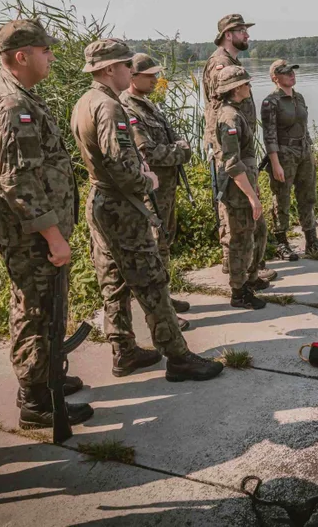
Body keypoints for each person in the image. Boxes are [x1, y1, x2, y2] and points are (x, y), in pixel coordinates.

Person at [71, 39, 223, 381]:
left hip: (100, 200)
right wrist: (147, 181)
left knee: (113, 280)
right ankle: (178, 356)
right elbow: (124, 167)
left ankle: (123, 351)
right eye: (126, 65)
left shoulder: (85, 101)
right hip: (121, 206)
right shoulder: (109, 108)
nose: (131, 70)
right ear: (110, 69)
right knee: (152, 280)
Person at [0, 19, 94, 429]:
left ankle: (44, 376)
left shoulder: (16, 94)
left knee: (42, 309)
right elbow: (17, 179)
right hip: (32, 237)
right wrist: (53, 234)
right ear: (22, 56)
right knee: (35, 310)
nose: (51, 56)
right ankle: (36, 401)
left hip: (35, 234)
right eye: (45, 51)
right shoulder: (11, 105)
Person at [119, 52, 194, 324]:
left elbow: (168, 140)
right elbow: (147, 152)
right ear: (132, 76)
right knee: (155, 247)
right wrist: (181, 151)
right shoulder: (128, 108)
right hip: (151, 192)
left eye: (156, 74)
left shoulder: (148, 104)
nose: (155, 79)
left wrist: (178, 149)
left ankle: (165, 297)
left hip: (166, 188)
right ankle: (162, 312)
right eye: (149, 75)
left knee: (165, 243)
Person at [201, 14, 276, 284]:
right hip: (228, 143)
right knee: (235, 209)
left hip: (238, 139)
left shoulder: (231, 61)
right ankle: (235, 267)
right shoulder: (220, 63)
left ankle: (242, 265)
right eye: (242, 31)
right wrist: (219, 145)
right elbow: (217, 105)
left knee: (244, 209)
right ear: (228, 34)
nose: (247, 35)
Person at [213, 65, 271, 309]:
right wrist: (252, 197)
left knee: (258, 231)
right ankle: (239, 292)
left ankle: (250, 277)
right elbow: (232, 163)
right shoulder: (230, 117)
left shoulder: (235, 112)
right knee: (241, 238)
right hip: (237, 188)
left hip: (246, 181)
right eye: (246, 84)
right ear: (236, 88)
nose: (249, 87)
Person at [260, 59, 318, 260]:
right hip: (284, 154)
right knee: (281, 198)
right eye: (286, 72)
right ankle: (282, 243)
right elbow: (269, 135)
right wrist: (275, 163)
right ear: (275, 78)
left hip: (303, 152)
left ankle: (311, 241)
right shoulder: (270, 102)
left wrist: (310, 153)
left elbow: (304, 128)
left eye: (292, 71)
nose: (292, 74)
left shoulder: (299, 97)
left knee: (308, 196)